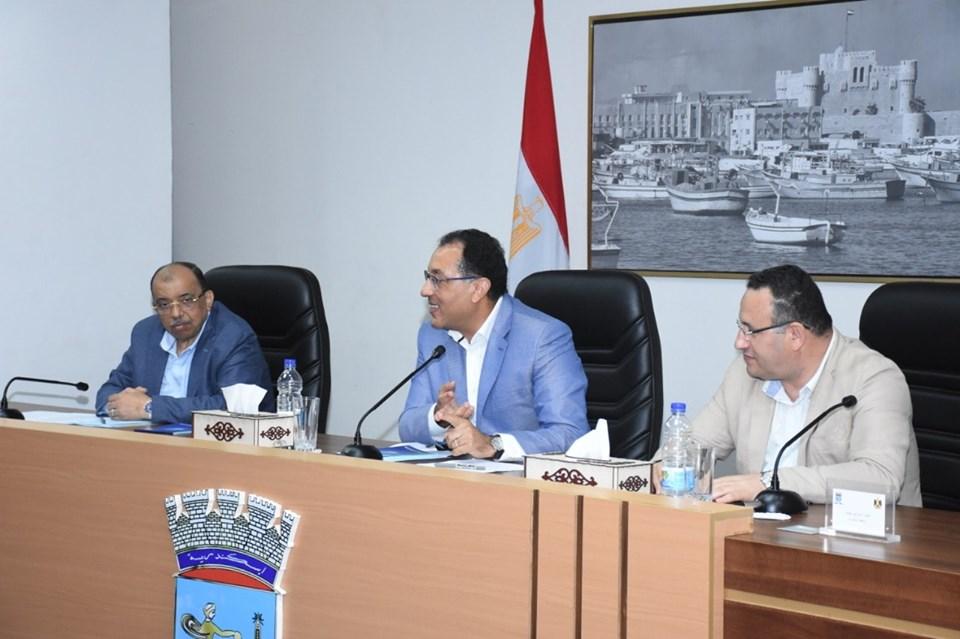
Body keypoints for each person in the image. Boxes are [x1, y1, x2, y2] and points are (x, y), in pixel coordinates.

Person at [696, 264, 922, 506]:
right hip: (760, 527)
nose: (739, 342)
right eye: (740, 328)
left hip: (859, 529)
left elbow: (880, 477)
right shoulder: (746, 372)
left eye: (750, 331)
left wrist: (767, 483)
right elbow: (694, 445)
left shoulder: (874, 378)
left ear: (795, 335)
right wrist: (671, 467)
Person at [398, 229, 588, 460]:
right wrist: (437, 416)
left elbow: (571, 433)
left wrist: (493, 444)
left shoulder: (542, 336)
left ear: (478, 289)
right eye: (428, 277)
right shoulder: (432, 335)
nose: (425, 290)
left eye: (437, 280)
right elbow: (408, 426)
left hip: (518, 479)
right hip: (454, 476)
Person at [96, 262, 273, 424]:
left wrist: (150, 408)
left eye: (186, 300)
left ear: (208, 299)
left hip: (217, 444)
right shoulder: (146, 333)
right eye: (164, 304)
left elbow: (233, 407)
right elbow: (109, 390)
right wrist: (119, 405)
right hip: (153, 439)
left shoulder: (233, 337)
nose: (176, 313)